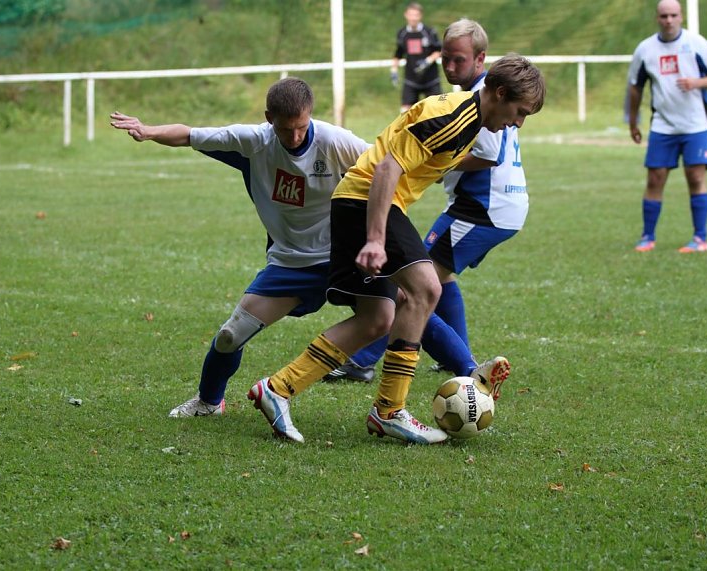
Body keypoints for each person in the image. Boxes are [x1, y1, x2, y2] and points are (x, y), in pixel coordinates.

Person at [247, 54, 546, 445]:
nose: (518, 123)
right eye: (519, 112)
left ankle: (279, 388)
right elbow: (387, 169)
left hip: (362, 201)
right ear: (500, 93)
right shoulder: (455, 116)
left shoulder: (469, 120)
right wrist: (374, 238)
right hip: (365, 201)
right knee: (426, 289)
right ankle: (389, 410)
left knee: (376, 319)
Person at [109, 78, 370, 418]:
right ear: (268, 118)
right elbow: (189, 135)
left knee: (404, 308)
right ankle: (208, 401)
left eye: (301, 127)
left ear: (311, 115)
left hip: (343, 258)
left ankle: (460, 369)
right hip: (289, 264)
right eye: (285, 129)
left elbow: (385, 163)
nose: (294, 138)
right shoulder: (252, 141)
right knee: (231, 335)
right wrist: (148, 131)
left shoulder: (336, 141)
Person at [328, 18, 528, 383]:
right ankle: (461, 361)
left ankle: (364, 359)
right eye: (446, 60)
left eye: (460, 61)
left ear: (481, 60)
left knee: (414, 286)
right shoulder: (483, 97)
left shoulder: (486, 102)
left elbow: (487, 156)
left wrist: (429, 165)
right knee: (438, 279)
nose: (451, 68)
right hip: (493, 207)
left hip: (482, 207)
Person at [627, 0, 707, 253]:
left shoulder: (697, 44)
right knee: (655, 179)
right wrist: (633, 121)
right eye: (664, 16)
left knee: (696, 176)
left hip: (696, 124)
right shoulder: (645, 49)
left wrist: (696, 83)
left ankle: (700, 239)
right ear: (657, 18)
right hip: (663, 125)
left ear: (681, 17)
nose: (668, 20)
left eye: (673, 15)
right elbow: (635, 86)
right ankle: (647, 237)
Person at [391, 2, 443, 114]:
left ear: (420, 16)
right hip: (411, 79)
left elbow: (439, 50)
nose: (413, 18)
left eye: (416, 15)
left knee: (437, 111)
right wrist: (393, 70)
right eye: (411, 15)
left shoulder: (429, 32)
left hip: (430, 79)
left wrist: (427, 61)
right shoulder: (402, 34)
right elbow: (398, 54)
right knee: (406, 113)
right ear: (406, 15)